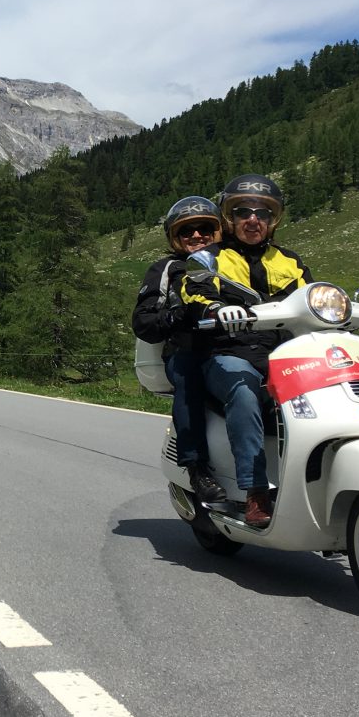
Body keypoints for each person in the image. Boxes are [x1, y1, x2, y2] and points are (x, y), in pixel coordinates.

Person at [181, 174, 313, 527]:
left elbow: (310, 298)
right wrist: (215, 308)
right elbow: (193, 291)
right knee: (244, 392)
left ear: (273, 220)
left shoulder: (291, 261)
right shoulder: (210, 257)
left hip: (281, 356)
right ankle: (256, 492)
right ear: (230, 217)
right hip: (228, 354)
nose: (253, 219)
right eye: (243, 212)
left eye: (262, 213)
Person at [132, 196, 226, 504]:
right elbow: (143, 321)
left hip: (241, 349)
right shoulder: (168, 268)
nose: (197, 235)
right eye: (187, 231)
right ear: (175, 236)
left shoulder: (235, 262)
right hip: (189, 349)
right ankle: (196, 466)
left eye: (204, 229)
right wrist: (176, 316)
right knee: (189, 373)